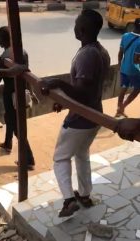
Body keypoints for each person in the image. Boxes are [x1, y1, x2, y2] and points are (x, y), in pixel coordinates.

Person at [40, 9, 110, 217]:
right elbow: (86, 92)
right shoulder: (100, 50)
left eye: (77, 25)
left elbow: (82, 92)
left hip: (80, 119)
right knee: (81, 154)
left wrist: (58, 84)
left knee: (60, 158)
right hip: (94, 115)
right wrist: (64, 101)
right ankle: (85, 194)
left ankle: (69, 200)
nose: (74, 28)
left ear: (83, 29)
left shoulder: (88, 55)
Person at [0, 26, 35, 170]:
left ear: (1, 40)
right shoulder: (23, 53)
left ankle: (29, 159)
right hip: (21, 94)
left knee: (17, 129)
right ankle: (7, 143)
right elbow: (27, 75)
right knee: (11, 120)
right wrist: (32, 93)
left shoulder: (1, 59)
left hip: (10, 96)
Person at [116, 18, 140, 118]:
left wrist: (119, 65)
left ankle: (119, 110)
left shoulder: (125, 36)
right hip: (134, 70)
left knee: (123, 88)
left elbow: (120, 53)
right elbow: (136, 60)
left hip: (123, 68)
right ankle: (123, 107)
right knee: (137, 89)